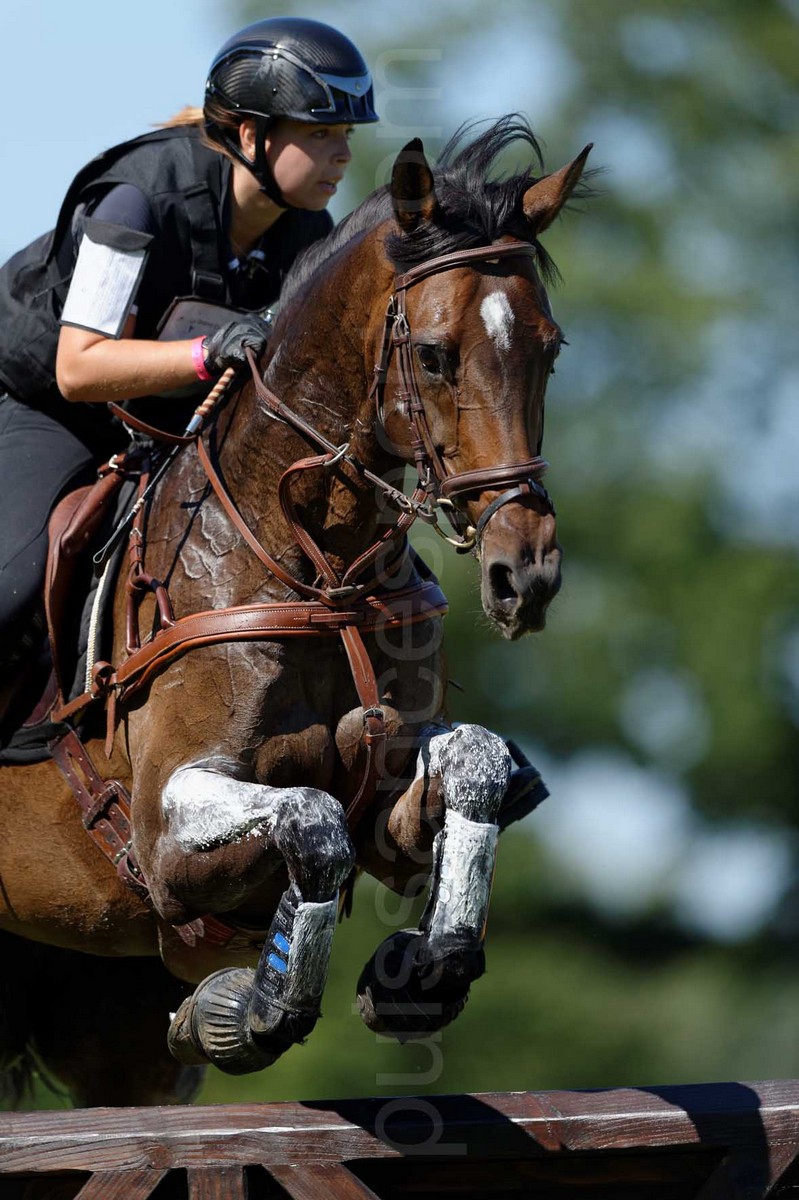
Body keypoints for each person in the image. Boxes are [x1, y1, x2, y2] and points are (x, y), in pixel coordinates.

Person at [0, 17, 379, 690]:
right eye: (320, 134)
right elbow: (79, 367)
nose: (343, 155)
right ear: (250, 135)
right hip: (44, 406)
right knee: (11, 587)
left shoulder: (307, 236)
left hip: (164, 426)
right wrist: (207, 353)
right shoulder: (138, 198)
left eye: (346, 135)